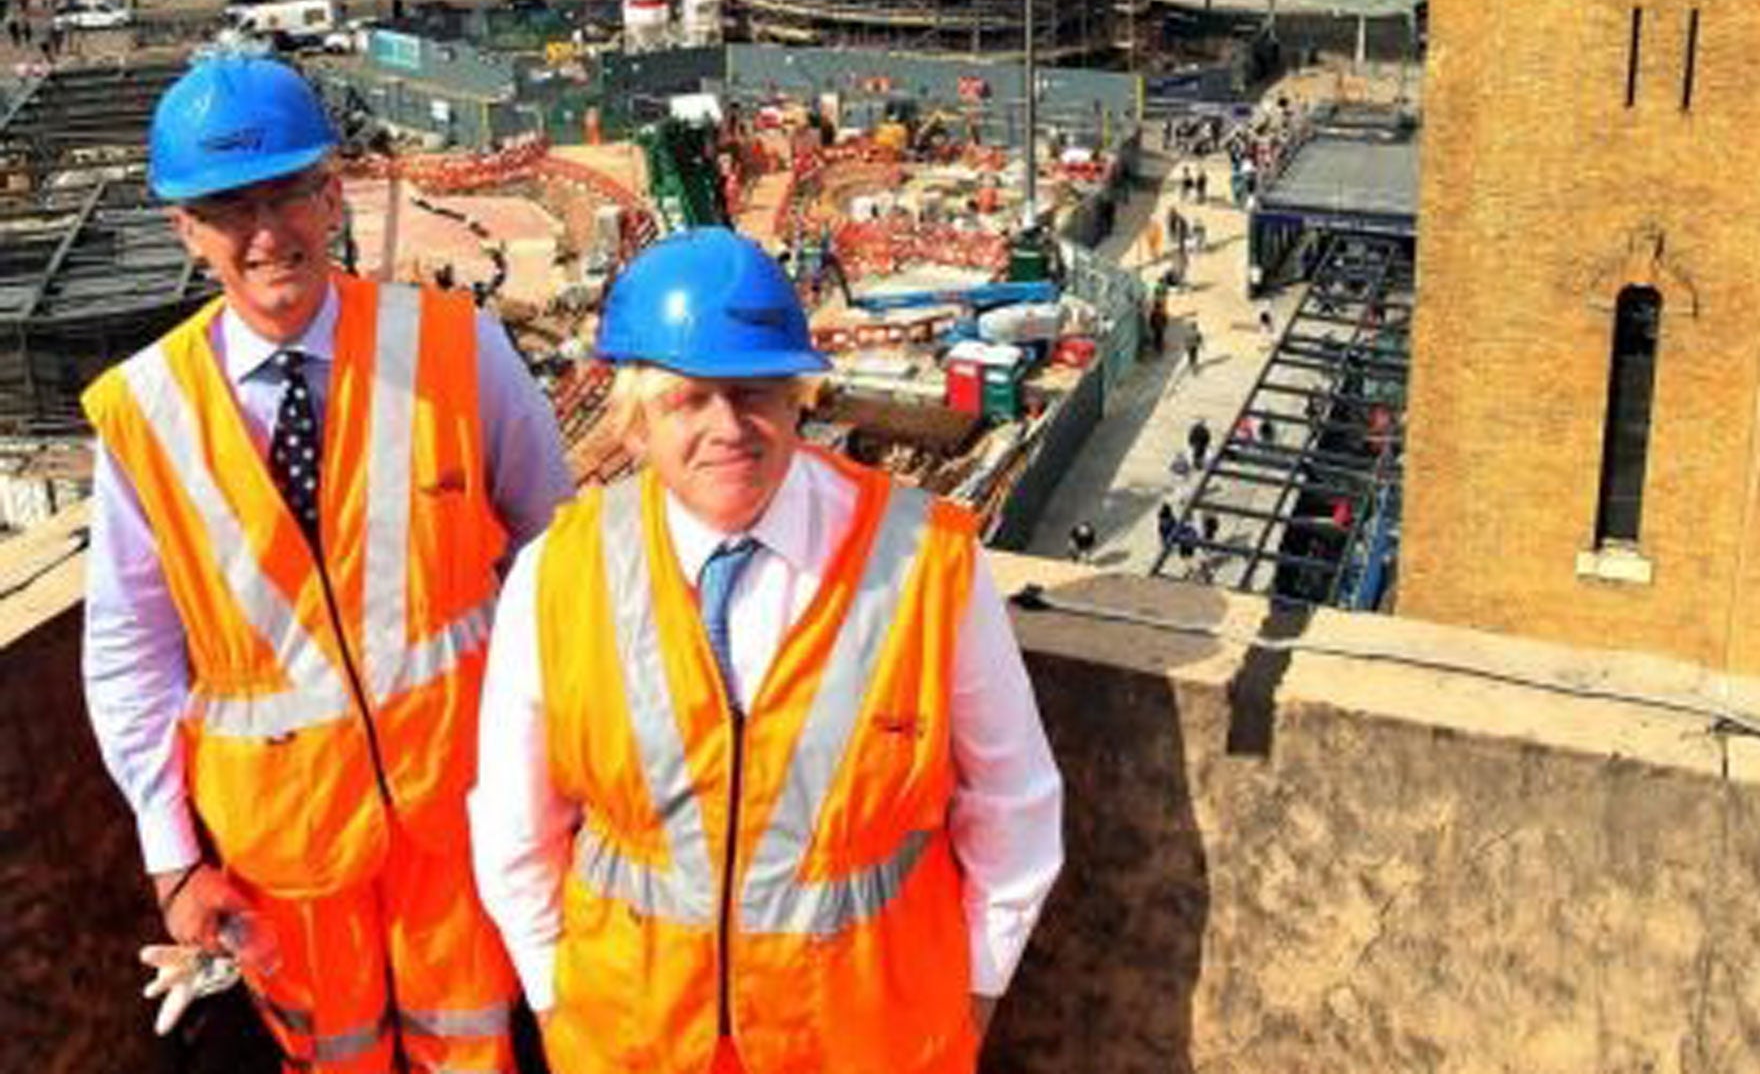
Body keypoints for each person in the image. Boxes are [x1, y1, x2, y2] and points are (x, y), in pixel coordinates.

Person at [470, 228, 1064, 1074]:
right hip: (633, 1039)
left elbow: (1015, 802)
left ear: (796, 400)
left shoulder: (925, 563)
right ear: (634, 423)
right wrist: (551, 990)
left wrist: (975, 991)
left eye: (753, 392)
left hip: (865, 1041)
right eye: (688, 400)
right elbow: (514, 824)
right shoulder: (559, 575)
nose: (728, 428)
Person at [81, 54, 573, 1073]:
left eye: (289, 192)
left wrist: (564, 774)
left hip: (462, 823)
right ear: (186, 229)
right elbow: (131, 657)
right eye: (228, 209)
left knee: (476, 1051)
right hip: (282, 858)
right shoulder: (143, 416)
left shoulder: (454, 350)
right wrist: (172, 859)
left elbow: (557, 562)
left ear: (332, 191)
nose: (267, 233)